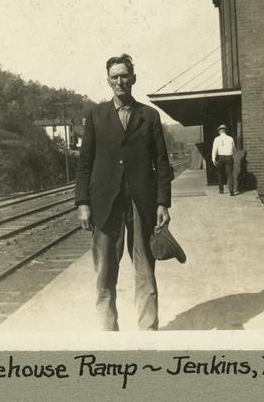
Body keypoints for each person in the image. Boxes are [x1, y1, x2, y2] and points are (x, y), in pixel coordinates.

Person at [75, 54, 172, 331]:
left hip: (142, 203)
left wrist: (162, 202)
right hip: (106, 204)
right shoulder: (95, 116)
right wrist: (83, 202)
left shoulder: (149, 115)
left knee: (145, 272)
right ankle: (108, 333)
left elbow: (162, 162)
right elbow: (85, 163)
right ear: (108, 80)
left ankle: (148, 331)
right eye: (115, 76)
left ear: (133, 79)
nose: (120, 81)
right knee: (105, 273)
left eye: (124, 75)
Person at [211, 124, 236, 196]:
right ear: (225, 131)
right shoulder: (230, 138)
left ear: (219, 131)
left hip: (221, 158)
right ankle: (231, 189)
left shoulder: (216, 139)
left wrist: (213, 158)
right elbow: (234, 149)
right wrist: (232, 155)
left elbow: (214, 150)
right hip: (229, 157)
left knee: (220, 173)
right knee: (230, 174)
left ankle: (221, 189)